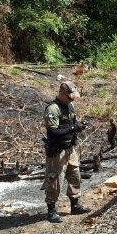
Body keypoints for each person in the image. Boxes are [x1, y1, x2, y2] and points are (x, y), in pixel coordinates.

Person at [43, 80, 91, 223]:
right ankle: (51, 210)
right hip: (57, 151)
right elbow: (53, 131)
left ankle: (75, 205)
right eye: (69, 97)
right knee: (54, 180)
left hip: (70, 148)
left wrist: (79, 126)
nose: (71, 99)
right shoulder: (53, 109)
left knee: (75, 175)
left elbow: (72, 123)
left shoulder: (70, 106)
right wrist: (72, 129)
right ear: (62, 94)